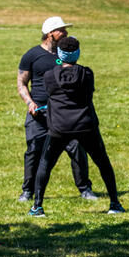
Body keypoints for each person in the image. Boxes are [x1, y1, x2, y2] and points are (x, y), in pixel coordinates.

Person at [30, 37, 124, 217]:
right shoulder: (87, 74)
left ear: (59, 54)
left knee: (46, 164)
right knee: (102, 162)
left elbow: (51, 93)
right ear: (77, 54)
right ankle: (115, 203)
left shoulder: (49, 75)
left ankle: (37, 207)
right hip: (85, 126)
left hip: (59, 127)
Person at [17, 16, 93, 202]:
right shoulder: (32, 56)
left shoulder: (66, 54)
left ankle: (85, 189)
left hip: (63, 113)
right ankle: (28, 191)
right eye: (61, 30)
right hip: (39, 113)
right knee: (34, 150)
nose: (65, 33)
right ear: (50, 34)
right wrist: (30, 103)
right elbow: (21, 83)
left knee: (76, 147)